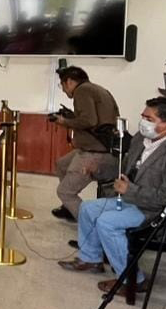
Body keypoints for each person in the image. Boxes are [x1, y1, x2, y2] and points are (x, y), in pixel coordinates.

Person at [57, 98, 166, 293]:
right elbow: (124, 165)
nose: (143, 121)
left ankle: (132, 279)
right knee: (87, 208)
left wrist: (130, 190)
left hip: (156, 209)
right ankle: (91, 259)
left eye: (149, 118)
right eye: (143, 116)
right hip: (133, 200)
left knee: (107, 222)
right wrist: (98, 169)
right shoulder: (142, 139)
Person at [50, 66, 120, 221]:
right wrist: (72, 116)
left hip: (95, 152)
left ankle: (92, 227)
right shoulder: (99, 90)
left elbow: (89, 121)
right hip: (104, 148)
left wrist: (64, 121)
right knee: (62, 164)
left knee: (65, 192)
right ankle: (69, 207)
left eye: (62, 85)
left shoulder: (82, 91)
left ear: (69, 81)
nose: (63, 89)